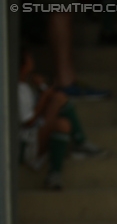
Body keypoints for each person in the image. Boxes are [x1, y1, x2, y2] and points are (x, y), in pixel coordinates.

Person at [19, 47, 106, 190]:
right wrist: (45, 96)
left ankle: (55, 174)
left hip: (35, 135)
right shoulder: (17, 89)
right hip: (25, 143)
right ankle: (80, 142)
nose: (32, 62)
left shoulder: (27, 86)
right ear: (23, 66)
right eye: (29, 60)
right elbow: (29, 121)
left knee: (63, 122)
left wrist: (42, 89)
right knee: (59, 103)